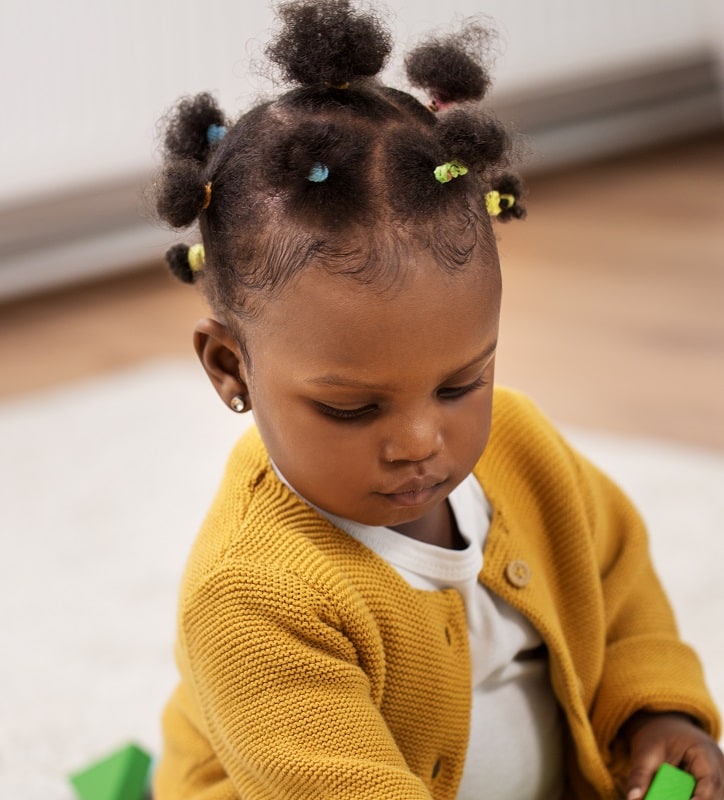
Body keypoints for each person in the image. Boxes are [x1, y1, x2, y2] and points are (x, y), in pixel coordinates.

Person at [151, 1, 723, 797]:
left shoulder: (522, 448)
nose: (422, 440)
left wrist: (658, 715)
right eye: (353, 408)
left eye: (461, 384)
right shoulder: (254, 596)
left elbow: (619, 586)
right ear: (229, 367)